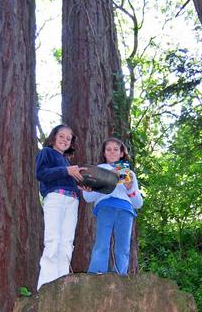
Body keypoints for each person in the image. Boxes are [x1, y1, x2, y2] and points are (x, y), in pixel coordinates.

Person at [83, 137, 143, 275]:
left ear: (122, 153)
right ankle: (96, 274)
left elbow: (138, 203)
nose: (112, 152)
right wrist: (93, 187)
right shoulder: (98, 170)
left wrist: (129, 188)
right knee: (102, 243)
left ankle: (120, 276)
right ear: (103, 153)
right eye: (108, 149)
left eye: (116, 149)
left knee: (123, 247)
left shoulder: (129, 173)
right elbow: (88, 198)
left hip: (126, 210)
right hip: (105, 208)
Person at [35, 124, 84, 290]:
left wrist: (81, 186)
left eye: (68, 138)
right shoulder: (46, 153)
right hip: (55, 198)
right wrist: (66, 171)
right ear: (54, 137)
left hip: (72, 200)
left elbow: (67, 177)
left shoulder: (66, 161)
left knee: (67, 242)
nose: (65, 140)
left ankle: (62, 284)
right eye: (61, 136)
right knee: (53, 240)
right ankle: (46, 287)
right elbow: (41, 174)